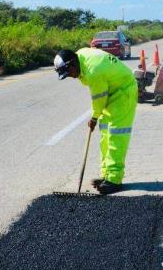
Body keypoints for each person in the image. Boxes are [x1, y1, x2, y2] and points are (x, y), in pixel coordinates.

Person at [53, 48, 137, 194]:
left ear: (73, 63)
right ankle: (106, 175)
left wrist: (94, 118)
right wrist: (96, 117)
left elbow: (99, 98)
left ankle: (114, 179)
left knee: (115, 136)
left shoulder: (94, 71)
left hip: (123, 92)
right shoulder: (81, 57)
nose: (71, 77)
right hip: (111, 90)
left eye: (70, 73)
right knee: (105, 135)